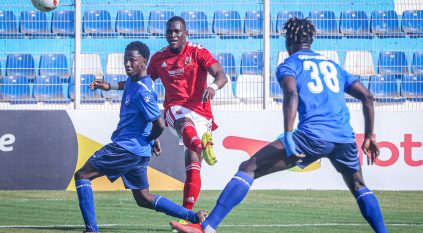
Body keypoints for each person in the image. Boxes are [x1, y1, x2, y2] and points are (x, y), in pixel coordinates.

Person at [170, 17, 387, 233]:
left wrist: (289, 135)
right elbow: (367, 97)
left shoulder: (289, 65)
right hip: (344, 137)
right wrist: (369, 136)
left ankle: (207, 227)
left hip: (310, 136)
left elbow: (291, 94)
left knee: (249, 168)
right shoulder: (332, 65)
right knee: (359, 184)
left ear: (288, 40)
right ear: (310, 39)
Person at [74, 41, 207, 233]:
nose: (127, 64)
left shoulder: (144, 91)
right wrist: (109, 85)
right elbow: (128, 89)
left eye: (132, 60)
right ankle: (193, 216)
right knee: (144, 198)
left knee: (82, 175)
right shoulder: (133, 80)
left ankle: (91, 229)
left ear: (144, 62)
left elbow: (159, 124)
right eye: (126, 60)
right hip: (136, 152)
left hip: (125, 148)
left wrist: (150, 138)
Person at [147, 16, 228, 220]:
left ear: (186, 33)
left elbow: (221, 74)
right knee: (184, 123)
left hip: (201, 112)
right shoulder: (158, 59)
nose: (172, 35)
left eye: (176, 31)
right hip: (175, 109)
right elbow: (143, 85)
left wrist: (212, 87)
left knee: (193, 167)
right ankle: (202, 145)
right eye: (169, 32)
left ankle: (186, 218)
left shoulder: (197, 52)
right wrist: (112, 86)